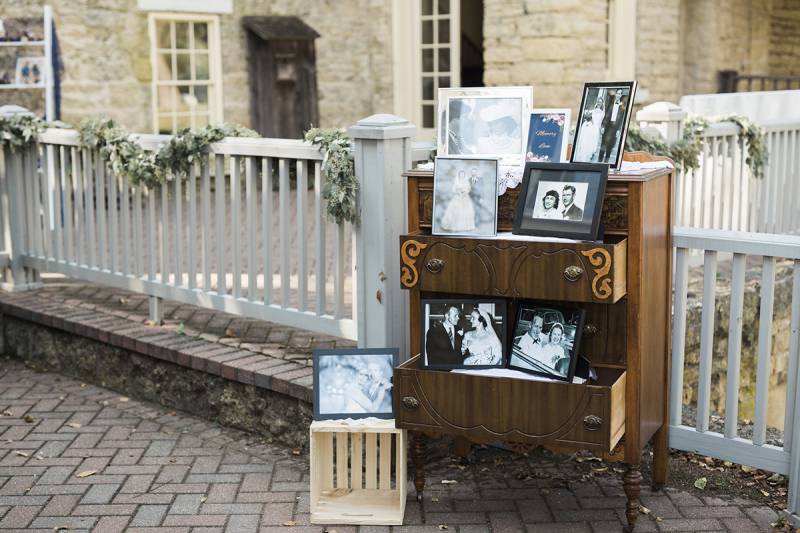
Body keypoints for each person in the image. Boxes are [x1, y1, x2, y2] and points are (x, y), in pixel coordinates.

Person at [598, 90, 628, 162]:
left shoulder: (622, 107)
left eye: (620, 94)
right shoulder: (610, 103)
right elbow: (606, 115)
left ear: (621, 95)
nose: (618, 95)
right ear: (616, 94)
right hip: (607, 126)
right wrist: (603, 126)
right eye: (617, 93)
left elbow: (622, 119)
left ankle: (606, 162)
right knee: (603, 144)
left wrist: (619, 130)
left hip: (615, 128)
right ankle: (599, 161)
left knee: (610, 146)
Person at [574, 95, 604, 162]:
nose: (599, 103)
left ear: (602, 103)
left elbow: (600, 122)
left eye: (600, 102)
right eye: (598, 101)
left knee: (592, 145)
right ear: (597, 102)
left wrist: (600, 129)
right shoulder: (592, 110)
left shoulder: (602, 113)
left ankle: (588, 157)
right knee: (586, 143)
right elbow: (588, 115)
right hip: (590, 127)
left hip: (596, 129)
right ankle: (582, 157)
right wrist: (589, 120)